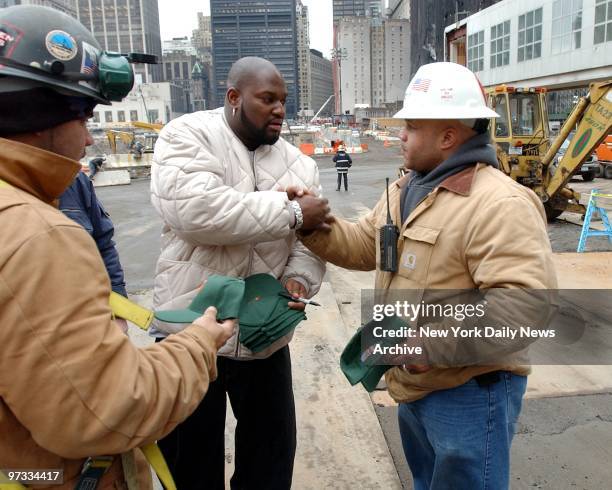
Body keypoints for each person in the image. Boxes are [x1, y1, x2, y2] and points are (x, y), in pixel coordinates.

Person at [0, 6, 234, 489]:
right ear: (43, 113)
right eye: (83, 114)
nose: (89, 137)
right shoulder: (39, 236)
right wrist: (198, 344)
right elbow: (109, 410)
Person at [296, 62, 557, 489]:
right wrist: (309, 223)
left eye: (411, 126)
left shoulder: (499, 204)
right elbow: (366, 246)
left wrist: (428, 345)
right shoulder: (406, 190)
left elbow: (524, 308)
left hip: (469, 394)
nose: (400, 135)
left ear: (448, 137)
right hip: (415, 387)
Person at [150, 56, 331, 489]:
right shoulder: (187, 135)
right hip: (190, 333)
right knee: (190, 466)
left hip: (263, 339)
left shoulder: (299, 163)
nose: (279, 109)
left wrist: (297, 282)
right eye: (267, 99)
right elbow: (197, 212)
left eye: (283, 100)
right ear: (234, 98)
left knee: (269, 463)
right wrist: (289, 209)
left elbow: (312, 239)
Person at [59, 171, 129, 332]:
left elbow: (104, 246)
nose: (89, 143)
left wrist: (119, 311)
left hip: (92, 319)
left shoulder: (76, 181)